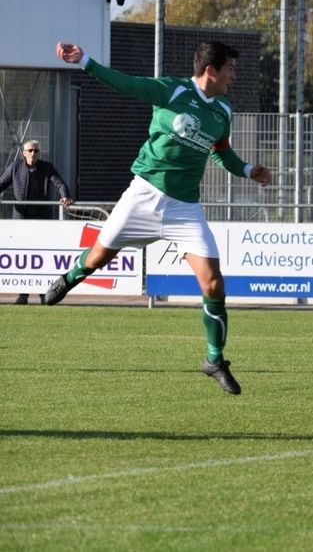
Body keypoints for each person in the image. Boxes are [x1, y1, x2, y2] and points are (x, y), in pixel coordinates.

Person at [51, 41, 271, 395]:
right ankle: (71, 276)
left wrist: (248, 169)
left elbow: (222, 153)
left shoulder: (224, 110)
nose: (234, 75)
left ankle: (214, 359)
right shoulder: (172, 90)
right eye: (230, 68)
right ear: (211, 70)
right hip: (144, 194)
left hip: (184, 208)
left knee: (214, 282)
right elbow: (126, 84)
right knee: (98, 257)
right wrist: (85, 61)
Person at [1, 139, 74, 304]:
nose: (33, 153)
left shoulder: (47, 167)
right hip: (21, 220)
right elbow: (2, 183)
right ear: (23, 153)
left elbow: (60, 184)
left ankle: (44, 293)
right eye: (30, 151)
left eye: (36, 151)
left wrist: (65, 196)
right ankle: (23, 294)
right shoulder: (14, 168)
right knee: (22, 257)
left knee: (43, 257)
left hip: (42, 220)